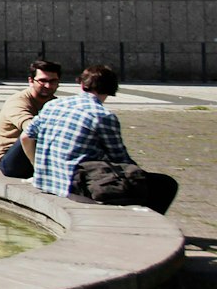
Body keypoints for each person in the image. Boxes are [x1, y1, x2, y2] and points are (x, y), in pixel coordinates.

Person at [21, 64, 177, 213]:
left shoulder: (53, 105)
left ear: (82, 85)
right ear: (111, 89)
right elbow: (120, 158)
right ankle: (144, 223)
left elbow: (26, 137)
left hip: (45, 181)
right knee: (165, 184)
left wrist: (38, 167)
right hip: (74, 186)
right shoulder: (103, 116)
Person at [0, 60, 62, 177]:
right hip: (11, 160)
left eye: (53, 81)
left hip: (39, 154)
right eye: (42, 81)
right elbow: (29, 127)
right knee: (33, 131)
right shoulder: (18, 101)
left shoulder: (56, 103)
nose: (48, 86)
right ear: (31, 81)